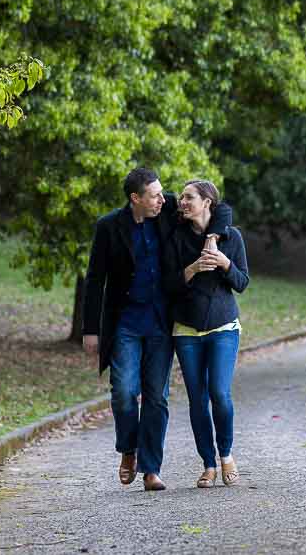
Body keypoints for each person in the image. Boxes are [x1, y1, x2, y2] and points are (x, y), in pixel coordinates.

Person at [82, 168, 232, 491]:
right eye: (155, 195)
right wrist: (90, 328)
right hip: (125, 322)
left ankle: (151, 469)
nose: (164, 200)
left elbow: (220, 208)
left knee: (156, 396)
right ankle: (128, 449)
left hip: (162, 322)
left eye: (163, 194)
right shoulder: (109, 227)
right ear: (136, 198)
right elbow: (95, 279)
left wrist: (212, 236)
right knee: (123, 391)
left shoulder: (166, 212)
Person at [162, 180, 249, 488]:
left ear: (207, 203)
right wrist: (193, 269)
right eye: (183, 197)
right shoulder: (175, 237)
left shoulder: (231, 236)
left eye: (189, 197)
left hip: (224, 327)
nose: (182, 202)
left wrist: (224, 263)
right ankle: (208, 464)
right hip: (186, 330)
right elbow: (169, 285)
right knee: (197, 399)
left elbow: (241, 282)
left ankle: (226, 455)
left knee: (220, 394)